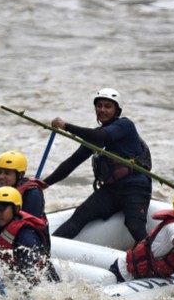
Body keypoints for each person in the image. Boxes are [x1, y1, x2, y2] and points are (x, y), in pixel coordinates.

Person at [42, 88, 152, 243]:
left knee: (134, 225)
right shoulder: (95, 136)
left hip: (135, 188)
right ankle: (47, 251)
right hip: (111, 190)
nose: (102, 110)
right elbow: (73, 161)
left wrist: (66, 126)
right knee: (80, 215)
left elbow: (102, 135)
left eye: (108, 106)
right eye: (99, 106)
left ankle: (152, 260)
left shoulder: (125, 125)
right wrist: (44, 183)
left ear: (117, 110)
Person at [0, 150, 48, 219]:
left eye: (7, 173)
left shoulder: (31, 194)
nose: (1, 177)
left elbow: (31, 223)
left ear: (20, 174)